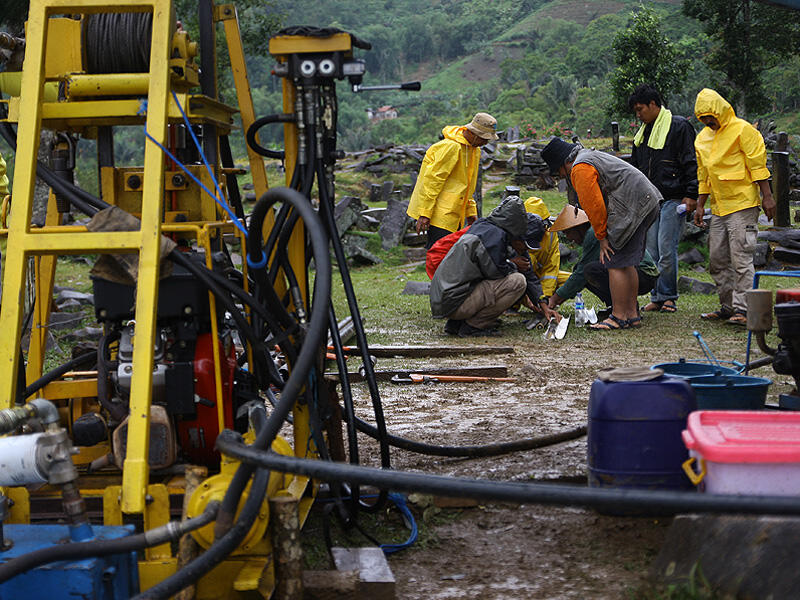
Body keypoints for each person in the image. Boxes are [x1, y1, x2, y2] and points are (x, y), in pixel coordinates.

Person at [540, 137, 661, 330]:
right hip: (645, 201)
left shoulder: (580, 168)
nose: (562, 177)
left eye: (559, 173)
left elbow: (594, 207)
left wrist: (602, 236)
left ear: (563, 164)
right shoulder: (588, 157)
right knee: (626, 261)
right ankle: (632, 315)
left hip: (631, 206)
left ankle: (619, 316)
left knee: (613, 262)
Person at [693, 88, 776, 325]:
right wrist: (701, 206)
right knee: (718, 259)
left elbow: (758, 166)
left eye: (711, 116)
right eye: (703, 118)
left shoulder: (743, 130)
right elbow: (704, 175)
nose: (708, 121)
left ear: (721, 110)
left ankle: (744, 309)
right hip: (718, 208)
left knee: (741, 259)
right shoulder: (702, 138)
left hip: (743, 204)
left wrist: (767, 196)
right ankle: (727, 306)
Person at [429, 196, 557, 337]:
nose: (525, 250)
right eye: (525, 245)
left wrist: (543, 304)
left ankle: (457, 324)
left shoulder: (494, 230)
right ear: (519, 235)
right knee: (518, 282)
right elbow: (495, 273)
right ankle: (473, 326)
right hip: (452, 301)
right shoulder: (493, 236)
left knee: (518, 277)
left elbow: (529, 273)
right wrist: (513, 264)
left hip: (449, 299)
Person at [628, 84, 698, 315]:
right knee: (652, 251)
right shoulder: (643, 134)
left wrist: (691, 194)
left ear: (653, 105)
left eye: (640, 109)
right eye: (636, 111)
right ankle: (657, 296)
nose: (638, 115)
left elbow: (690, 161)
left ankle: (668, 296)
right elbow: (636, 168)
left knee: (667, 248)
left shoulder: (679, 127)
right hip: (651, 200)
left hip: (673, 196)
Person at [546, 205, 659, 317]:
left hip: (644, 275)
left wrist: (555, 298)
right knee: (585, 270)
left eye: (568, 232)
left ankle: (627, 308)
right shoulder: (593, 231)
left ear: (578, 227)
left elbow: (580, 275)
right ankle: (616, 306)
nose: (569, 238)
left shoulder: (594, 233)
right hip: (636, 273)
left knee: (590, 270)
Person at [407, 112, 498, 249]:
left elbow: (468, 184)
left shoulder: (474, 150)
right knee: (439, 256)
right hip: (440, 214)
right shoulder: (451, 147)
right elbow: (432, 181)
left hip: (457, 213)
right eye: (483, 138)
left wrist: (470, 211)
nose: (485, 142)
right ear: (473, 133)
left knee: (450, 257)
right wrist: (425, 213)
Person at [524, 197, 570, 303]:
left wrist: (545, 298)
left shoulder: (551, 233)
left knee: (571, 280)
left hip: (540, 278)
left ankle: (549, 304)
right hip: (525, 281)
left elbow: (551, 267)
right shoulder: (517, 232)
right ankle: (513, 306)